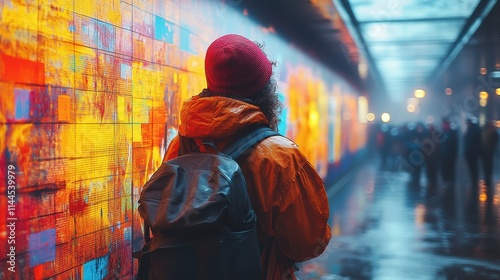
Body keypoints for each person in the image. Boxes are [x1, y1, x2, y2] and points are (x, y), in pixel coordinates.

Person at [162, 34, 332, 279]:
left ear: (212, 83)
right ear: (265, 91)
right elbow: (307, 244)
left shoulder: (181, 145)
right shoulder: (281, 157)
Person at [463, 116, 482, 202]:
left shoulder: (475, 129)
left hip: (473, 153)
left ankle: (475, 180)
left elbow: (477, 141)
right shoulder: (469, 129)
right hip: (469, 153)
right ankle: (473, 180)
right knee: (471, 167)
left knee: (474, 167)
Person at [481, 120, 499, 202]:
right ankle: (487, 180)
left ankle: (488, 181)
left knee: (488, 167)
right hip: (486, 153)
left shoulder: (493, 134)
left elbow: (494, 142)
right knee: (486, 167)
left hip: (489, 153)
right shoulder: (487, 132)